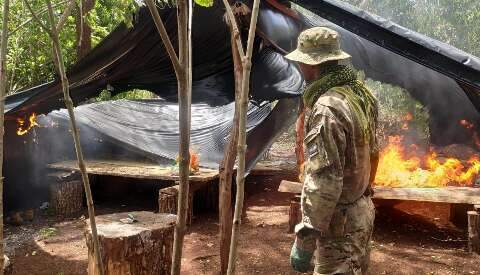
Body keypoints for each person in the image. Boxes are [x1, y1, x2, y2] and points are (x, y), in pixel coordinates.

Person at [285, 27, 379, 275]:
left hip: (341, 225)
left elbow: (324, 181)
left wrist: (304, 242)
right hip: (361, 213)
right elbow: (374, 153)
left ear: (313, 65)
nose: (300, 67)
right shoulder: (359, 94)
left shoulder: (327, 108)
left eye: (301, 62)